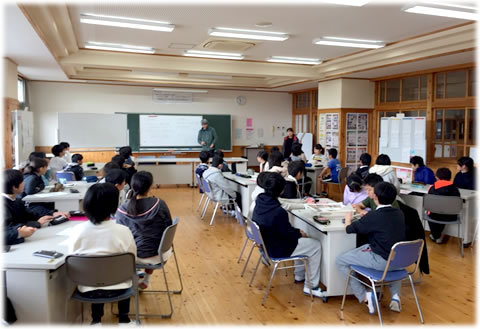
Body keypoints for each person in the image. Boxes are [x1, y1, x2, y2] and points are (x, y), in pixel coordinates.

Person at [67, 183, 136, 325]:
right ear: (113, 206)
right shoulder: (123, 231)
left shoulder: (76, 231)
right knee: (123, 274)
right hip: (120, 288)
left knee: (95, 274)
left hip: (87, 288)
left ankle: (96, 320)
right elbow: (132, 260)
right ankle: (124, 319)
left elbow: (72, 256)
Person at [336, 182, 406, 314]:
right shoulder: (399, 213)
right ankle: (395, 297)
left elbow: (349, 229)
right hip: (401, 261)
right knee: (391, 254)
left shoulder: (374, 216)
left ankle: (364, 296)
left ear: (375, 197)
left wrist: (348, 220)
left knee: (340, 260)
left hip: (381, 261)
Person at [252, 172, 323, 298]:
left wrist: (296, 233)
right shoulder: (278, 211)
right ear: (280, 190)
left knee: (303, 243)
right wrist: (299, 233)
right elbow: (288, 235)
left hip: (267, 245)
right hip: (277, 248)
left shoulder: (261, 199)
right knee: (315, 245)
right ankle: (311, 286)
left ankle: (299, 275)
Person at [116, 171, 173, 290]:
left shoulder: (122, 209)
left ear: (131, 185)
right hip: (160, 253)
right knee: (151, 238)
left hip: (133, 256)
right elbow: (168, 226)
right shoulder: (160, 204)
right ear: (150, 186)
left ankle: (127, 282)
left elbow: (119, 236)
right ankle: (146, 280)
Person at [3, 169, 69, 228]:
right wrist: (37, 223)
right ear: (14, 187)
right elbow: (10, 228)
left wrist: (52, 214)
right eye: (22, 181)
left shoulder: (16, 200)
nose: (24, 183)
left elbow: (29, 214)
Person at [427, 168, 461, 244]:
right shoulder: (455, 189)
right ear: (450, 178)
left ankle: (436, 236)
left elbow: (429, 203)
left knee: (431, 213)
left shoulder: (432, 188)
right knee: (443, 212)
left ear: (437, 177)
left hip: (434, 215)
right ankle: (437, 236)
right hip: (451, 216)